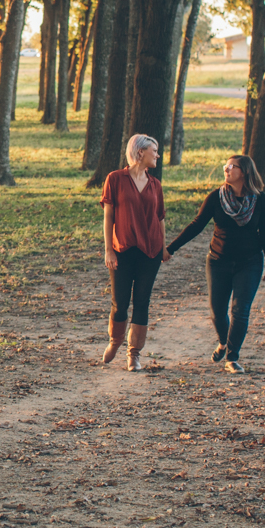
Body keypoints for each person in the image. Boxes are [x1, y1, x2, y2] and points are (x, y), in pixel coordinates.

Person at [166, 154, 265, 374]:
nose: (226, 169)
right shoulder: (216, 197)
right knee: (217, 311)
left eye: (231, 166)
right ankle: (224, 343)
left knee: (240, 310)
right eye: (225, 166)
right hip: (218, 261)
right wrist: (171, 248)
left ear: (244, 172)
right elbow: (197, 225)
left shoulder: (260, 200)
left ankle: (232, 358)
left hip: (250, 263)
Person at [99, 134, 171, 371]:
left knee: (142, 301)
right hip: (123, 250)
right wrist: (109, 250)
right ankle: (115, 340)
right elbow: (108, 216)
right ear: (140, 152)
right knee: (120, 303)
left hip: (150, 252)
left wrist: (164, 247)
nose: (157, 155)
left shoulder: (155, 185)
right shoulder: (115, 179)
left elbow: (159, 217)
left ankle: (134, 354)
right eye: (154, 150)